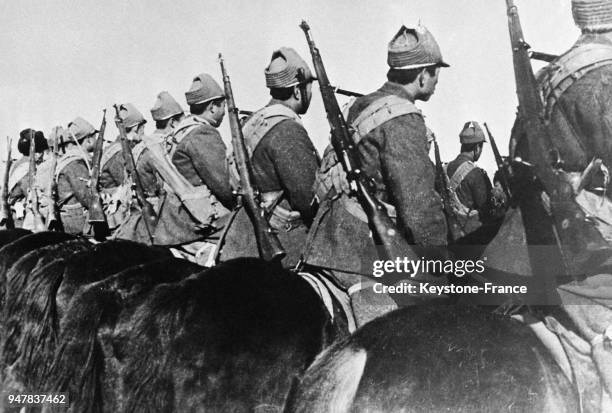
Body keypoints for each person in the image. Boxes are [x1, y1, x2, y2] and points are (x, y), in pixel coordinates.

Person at [302, 24, 450, 327]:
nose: (436, 81)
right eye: (436, 72)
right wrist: (442, 261)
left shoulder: (360, 105)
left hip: (327, 240)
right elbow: (419, 210)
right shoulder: (404, 118)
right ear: (423, 74)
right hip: (362, 252)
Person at [507, 1, 612, 409]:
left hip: (547, 247)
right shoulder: (605, 75)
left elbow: (519, 171)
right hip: (597, 250)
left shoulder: (548, 77)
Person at [218, 47, 320, 267]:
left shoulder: (252, 122)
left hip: (241, 237)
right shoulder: (287, 130)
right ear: (297, 90)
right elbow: (309, 200)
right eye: (310, 86)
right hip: (283, 245)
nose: (311, 93)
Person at [150, 74, 233, 265]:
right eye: (222, 106)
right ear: (212, 106)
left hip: (175, 223)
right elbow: (226, 188)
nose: (223, 112)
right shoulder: (202, 133)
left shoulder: (179, 132)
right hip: (197, 226)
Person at [114, 91, 185, 244]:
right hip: (157, 218)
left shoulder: (139, 147)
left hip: (134, 218)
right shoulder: (161, 148)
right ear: (173, 122)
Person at [445, 121, 500, 242]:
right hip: (473, 239)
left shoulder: (445, 169)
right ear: (477, 147)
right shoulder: (477, 173)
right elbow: (488, 211)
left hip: (450, 237)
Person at [99, 103, 147, 230]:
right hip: (117, 216)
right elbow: (128, 185)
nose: (144, 131)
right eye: (143, 127)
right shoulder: (120, 152)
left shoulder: (114, 148)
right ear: (137, 127)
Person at [56, 117, 97, 234]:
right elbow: (87, 198)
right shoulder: (75, 163)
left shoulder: (72, 159)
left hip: (74, 218)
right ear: (88, 139)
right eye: (94, 137)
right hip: (77, 223)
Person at [8, 129, 49, 228]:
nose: (42, 155)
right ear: (36, 152)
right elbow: (30, 194)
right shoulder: (27, 168)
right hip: (20, 216)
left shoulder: (19, 163)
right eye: (40, 151)